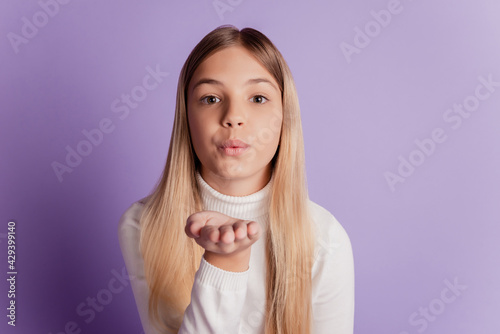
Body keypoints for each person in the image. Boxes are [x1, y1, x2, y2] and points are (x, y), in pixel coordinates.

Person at [117, 24, 355, 334]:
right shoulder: (144, 226)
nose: (233, 117)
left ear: (285, 115)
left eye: (257, 98)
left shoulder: (325, 239)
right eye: (211, 99)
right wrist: (223, 263)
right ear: (186, 115)